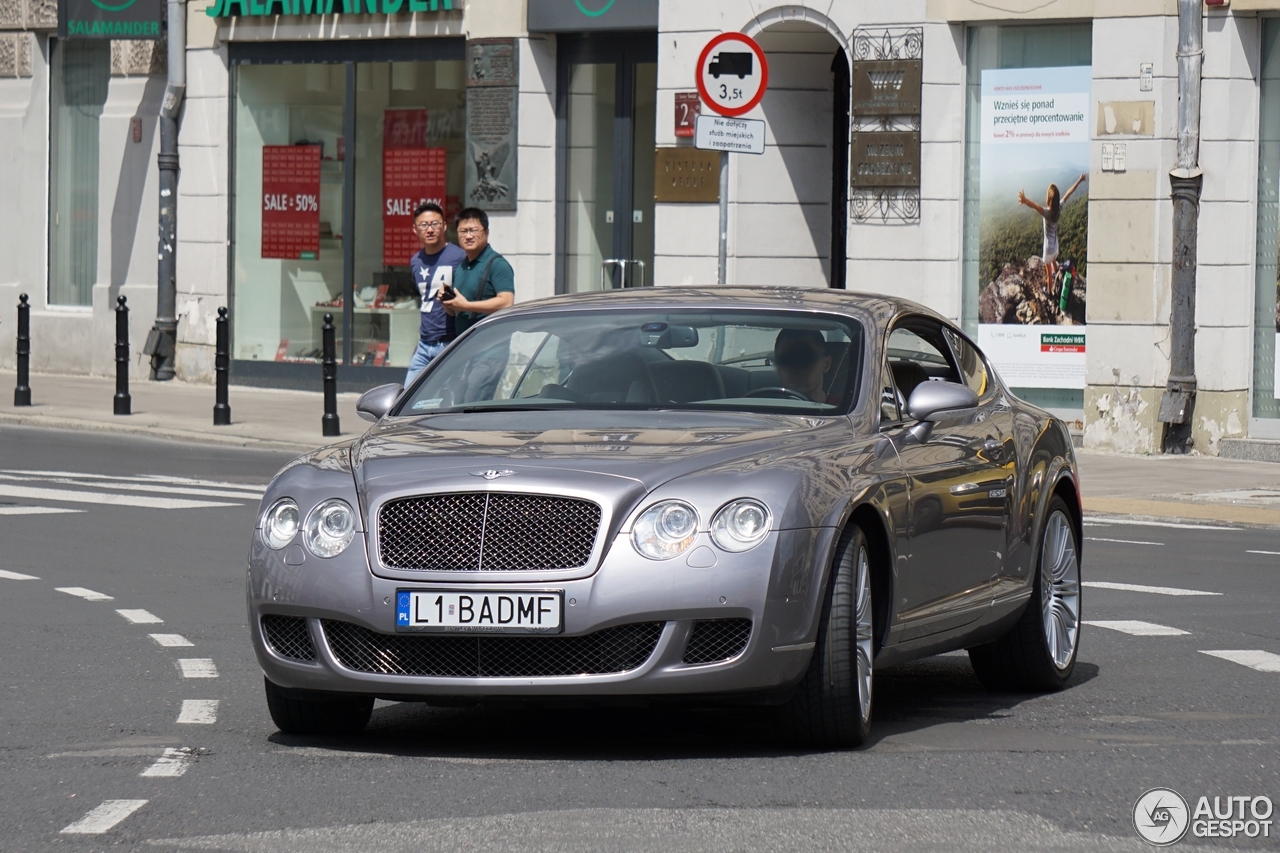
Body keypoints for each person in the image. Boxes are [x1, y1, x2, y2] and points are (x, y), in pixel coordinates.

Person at [405, 202, 466, 386]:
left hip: (450, 342)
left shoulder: (459, 256)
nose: (430, 230)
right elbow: (425, 299)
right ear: (415, 230)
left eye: (435, 224)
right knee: (407, 398)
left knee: (449, 400)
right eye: (424, 225)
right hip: (424, 344)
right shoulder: (416, 261)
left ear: (444, 226)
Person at [441, 207, 514, 336]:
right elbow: (456, 311)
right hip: (464, 345)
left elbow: (506, 302)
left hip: (491, 346)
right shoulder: (461, 266)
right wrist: (447, 302)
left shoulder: (498, 265)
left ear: (486, 232)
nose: (468, 236)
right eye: (463, 231)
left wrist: (466, 306)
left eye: (473, 230)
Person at [1018, 173, 1087, 288]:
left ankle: (1049, 292)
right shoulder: (1059, 208)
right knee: (1054, 261)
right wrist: (1079, 180)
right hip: (1055, 247)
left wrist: (1025, 200)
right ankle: (1058, 278)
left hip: (1048, 249)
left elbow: (1035, 206)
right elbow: (1069, 193)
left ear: (1049, 199)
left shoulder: (1046, 213)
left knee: (1048, 275)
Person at [774, 328, 834, 404]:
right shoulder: (762, 408)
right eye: (787, 360)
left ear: (826, 364)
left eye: (805, 359)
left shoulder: (847, 407)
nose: (796, 368)